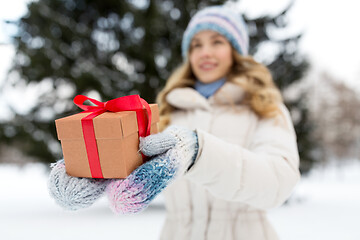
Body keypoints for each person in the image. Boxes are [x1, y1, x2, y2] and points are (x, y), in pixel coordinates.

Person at [48, 5, 300, 240]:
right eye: (196, 45)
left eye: (217, 41)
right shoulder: (169, 111)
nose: (205, 52)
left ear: (236, 51)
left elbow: (278, 183)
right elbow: (135, 160)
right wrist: (91, 166)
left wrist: (198, 152)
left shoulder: (265, 108)